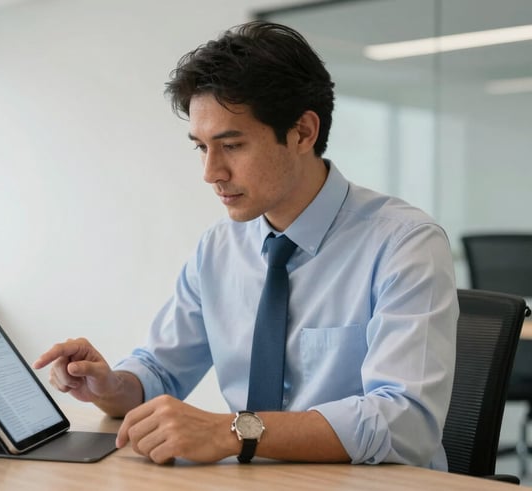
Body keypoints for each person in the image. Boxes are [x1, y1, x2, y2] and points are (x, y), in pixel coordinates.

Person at [33, 21, 458, 469]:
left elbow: (405, 423)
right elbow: (159, 371)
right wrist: (110, 386)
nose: (210, 172)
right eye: (201, 147)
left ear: (302, 133)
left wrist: (231, 430)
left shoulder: (405, 242)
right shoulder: (219, 248)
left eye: (231, 145)